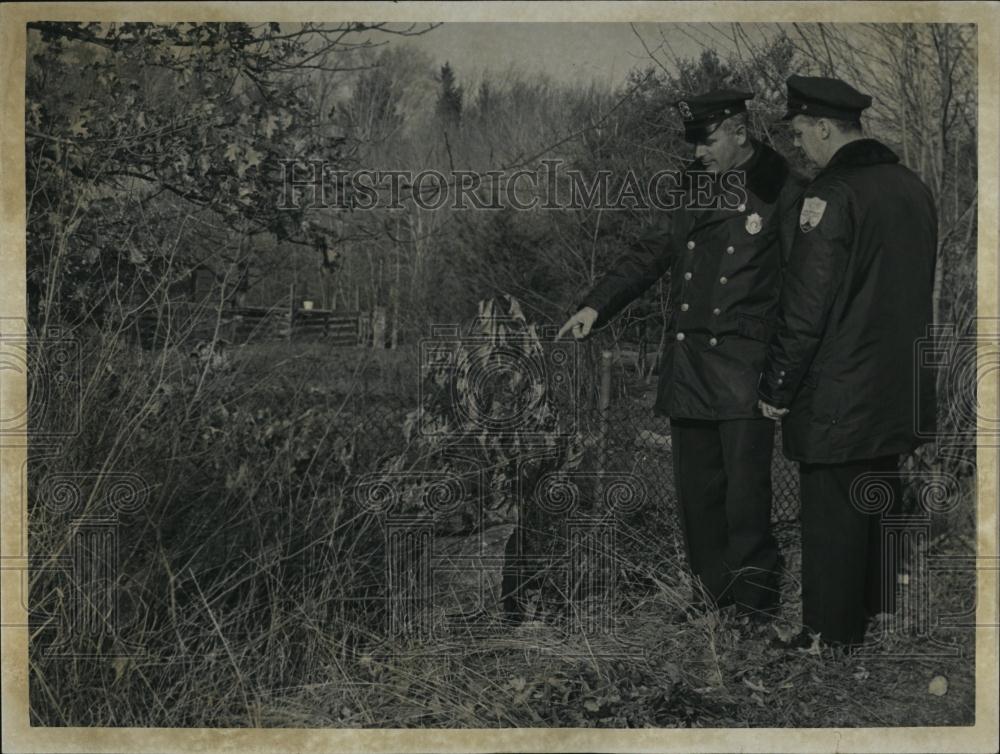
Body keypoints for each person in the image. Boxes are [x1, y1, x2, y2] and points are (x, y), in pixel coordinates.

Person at [559, 89, 805, 628]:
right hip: (691, 363)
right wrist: (596, 307)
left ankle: (754, 609)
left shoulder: (783, 190)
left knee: (746, 500)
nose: (698, 153)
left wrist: (790, 365)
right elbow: (651, 252)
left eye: (709, 140)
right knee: (697, 496)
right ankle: (711, 601)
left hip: (746, 366)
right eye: (695, 142)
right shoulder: (691, 186)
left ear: (740, 131)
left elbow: (806, 284)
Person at [758, 75, 937, 649]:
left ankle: (828, 636)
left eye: (802, 133)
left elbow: (806, 304)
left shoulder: (831, 196)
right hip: (896, 382)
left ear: (826, 128)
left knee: (833, 509)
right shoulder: (911, 187)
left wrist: (778, 385)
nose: (800, 147)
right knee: (877, 490)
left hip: (839, 387)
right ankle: (875, 610)